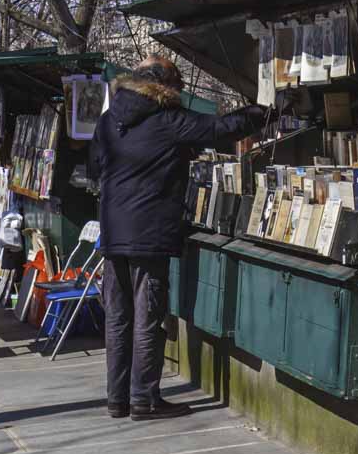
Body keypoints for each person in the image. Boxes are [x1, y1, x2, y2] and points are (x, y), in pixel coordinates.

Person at [89, 56, 264, 420]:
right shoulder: (166, 120)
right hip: (148, 232)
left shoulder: (109, 120)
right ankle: (144, 399)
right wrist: (263, 113)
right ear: (166, 87)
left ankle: (116, 399)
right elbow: (220, 129)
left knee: (118, 318)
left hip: (113, 230)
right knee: (147, 315)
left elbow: (94, 168)